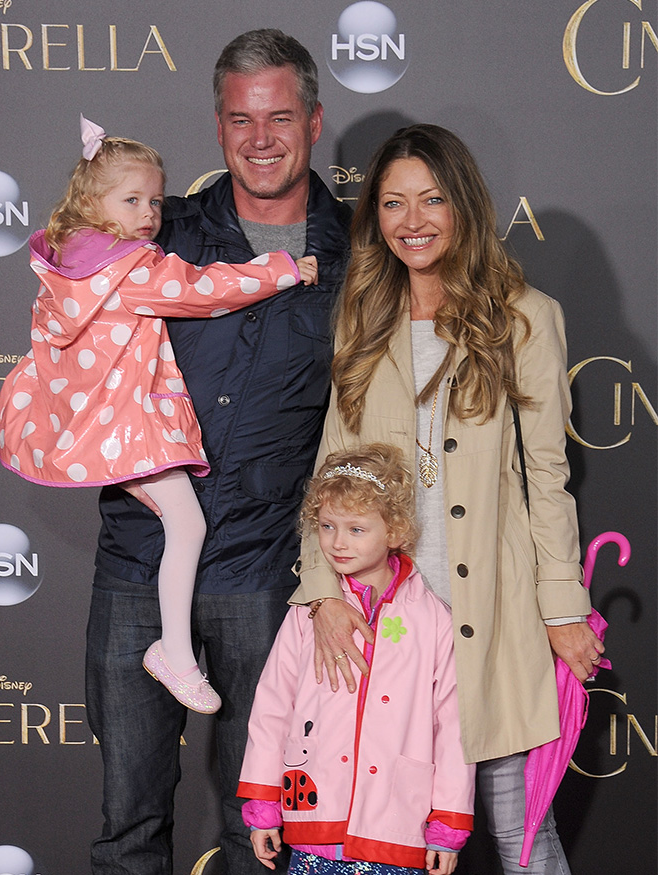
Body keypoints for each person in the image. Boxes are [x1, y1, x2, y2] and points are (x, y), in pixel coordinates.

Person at [291, 124, 605, 875]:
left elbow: (547, 477)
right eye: (394, 203)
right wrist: (319, 591)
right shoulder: (361, 317)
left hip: (493, 621)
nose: (413, 220)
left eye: (432, 198)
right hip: (385, 628)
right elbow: (332, 464)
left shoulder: (526, 316)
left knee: (518, 834)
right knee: (386, 846)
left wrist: (561, 607)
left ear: (463, 204)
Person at [86, 29, 352, 875]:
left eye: (279, 117)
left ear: (314, 120)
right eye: (242, 119)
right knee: (128, 826)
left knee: (261, 830)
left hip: (267, 572)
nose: (261, 138)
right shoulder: (155, 237)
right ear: (218, 127)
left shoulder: (358, 256)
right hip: (138, 558)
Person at [0, 115, 315, 715]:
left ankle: (173, 647)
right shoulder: (132, 268)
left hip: (93, 433)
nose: (148, 214)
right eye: (132, 199)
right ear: (93, 202)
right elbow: (202, 289)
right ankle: (174, 651)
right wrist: (282, 269)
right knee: (188, 527)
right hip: (127, 434)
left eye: (155, 201)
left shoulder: (66, 266)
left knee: (177, 525)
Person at [238, 444, 475, 875]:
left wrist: (448, 823)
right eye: (327, 526)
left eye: (356, 529)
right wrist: (262, 801)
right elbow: (272, 707)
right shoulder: (305, 614)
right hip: (314, 820)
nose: (338, 543)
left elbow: (454, 725)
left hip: (396, 825)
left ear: (395, 531)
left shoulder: (434, 620)